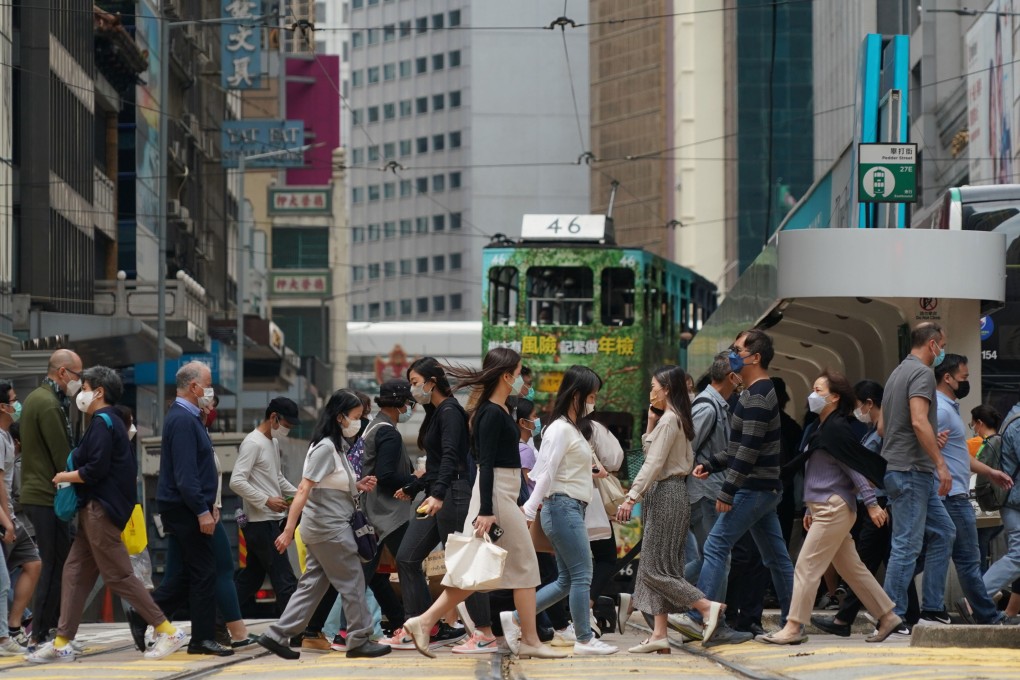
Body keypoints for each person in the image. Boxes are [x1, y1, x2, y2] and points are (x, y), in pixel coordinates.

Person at [402, 348, 563, 660]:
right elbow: (485, 465)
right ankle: (529, 639)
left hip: (500, 496)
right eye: (518, 375)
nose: (521, 381)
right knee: (521, 567)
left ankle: (423, 621)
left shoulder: (497, 410)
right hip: (496, 497)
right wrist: (488, 510)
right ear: (505, 376)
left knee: (482, 571)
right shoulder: (491, 413)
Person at [27, 366, 185, 663]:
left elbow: (95, 469)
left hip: (100, 510)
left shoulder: (103, 421)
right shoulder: (113, 421)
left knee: (119, 575)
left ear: (99, 392)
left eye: (85, 386)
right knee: (74, 572)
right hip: (93, 511)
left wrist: (65, 476)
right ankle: (62, 641)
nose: (81, 392)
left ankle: (167, 630)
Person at [759, 371, 900, 645]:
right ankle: (887, 616)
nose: (813, 395)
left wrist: (871, 504)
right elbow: (821, 474)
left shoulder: (835, 428)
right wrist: (810, 509)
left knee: (806, 565)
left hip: (833, 508)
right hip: (826, 507)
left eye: (819, 390)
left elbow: (854, 467)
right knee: (852, 569)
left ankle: (793, 626)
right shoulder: (823, 427)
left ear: (834, 397)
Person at [678, 329, 795, 647]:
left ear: (755, 358)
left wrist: (727, 490)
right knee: (776, 557)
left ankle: (700, 617)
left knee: (715, 547)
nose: (732, 354)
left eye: (737, 349)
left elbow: (748, 451)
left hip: (754, 490)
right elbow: (738, 447)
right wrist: (713, 463)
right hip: (763, 489)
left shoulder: (757, 395)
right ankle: (793, 622)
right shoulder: (752, 393)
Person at [256, 389, 391, 660]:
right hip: (330, 529)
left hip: (323, 528)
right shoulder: (326, 448)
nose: (359, 422)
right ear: (340, 417)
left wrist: (358, 485)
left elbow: (332, 484)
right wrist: (287, 530)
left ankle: (276, 635)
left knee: (312, 585)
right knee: (353, 580)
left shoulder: (335, 446)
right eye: (355, 416)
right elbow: (304, 489)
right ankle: (359, 639)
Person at [616, 366, 725, 653]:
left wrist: (631, 497)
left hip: (665, 493)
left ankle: (705, 606)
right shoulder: (674, 419)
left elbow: (651, 464)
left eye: (653, 386)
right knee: (662, 564)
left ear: (666, 389)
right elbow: (654, 455)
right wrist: (651, 423)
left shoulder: (670, 421)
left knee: (653, 568)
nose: (650, 391)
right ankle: (659, 635)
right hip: (668, 494)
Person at [381, 357, 486, 652]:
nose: (413, 389)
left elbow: (452, 458)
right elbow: (436, 463)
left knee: (462, 565)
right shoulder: (436, 412)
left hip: (452, 495)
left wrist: (437, 494)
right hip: (437, 493)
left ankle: (485, 632)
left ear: (431, 381)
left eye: (415, 383)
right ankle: (421, 626)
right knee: (407, 557)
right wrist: (415, 486)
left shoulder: (450, 411)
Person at [131, 361, 232, 656]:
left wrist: (208, 506)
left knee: (190, 573)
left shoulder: (188, 418)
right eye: (208, 384)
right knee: (204, 571)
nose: (210, 391)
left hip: (186, 506)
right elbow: (186, 476)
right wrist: (202, 511)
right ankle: (201, 638)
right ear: (194, 387)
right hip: (185, 507)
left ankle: (143, 615)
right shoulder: (183, 420)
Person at [521, 366, 619, 655]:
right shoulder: (560, 428)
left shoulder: (571, 428)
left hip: (569, 506)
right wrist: (529, 509)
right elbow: (547, 472)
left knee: (566, 580)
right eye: (591, 396)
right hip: (562, 506)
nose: (594, 401)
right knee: (582, 575)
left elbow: (561, 468)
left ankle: (515, 619)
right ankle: (585, 639)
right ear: (576, 395)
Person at [813, 380, 920, 636]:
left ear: (869, 403)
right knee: (882, 560)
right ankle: (905, 615)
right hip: (873, 503)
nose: (857, 411)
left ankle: (849, 619)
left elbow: (873, 469)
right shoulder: (871, 432)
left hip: (878, 503)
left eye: (860, 405)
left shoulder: (882, 433)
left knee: (864, 561)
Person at [879, 323, 955, 633]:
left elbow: (884, 428)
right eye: (942, 346)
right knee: (907, 546)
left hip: (906, 469)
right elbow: (918, 419)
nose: (942, 352)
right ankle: (891, 615)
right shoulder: (923, 374)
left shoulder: (896, 374)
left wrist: (926, 445)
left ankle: (933, 608)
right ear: (934, 345)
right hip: (912, 471)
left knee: (944, 532)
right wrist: (941, 463)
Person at [930, 355, 1012, 625]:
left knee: (928, 554)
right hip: (951, 495)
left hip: (951, 494)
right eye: (964, 378)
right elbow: (929, 450)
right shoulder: (941, 410)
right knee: (966, 558)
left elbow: (958, 456)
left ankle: (912, 610)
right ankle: (984, 615)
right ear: (948, 378)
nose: (966, 382)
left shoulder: (948, 408)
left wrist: (991, 472)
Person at [19, 349, 81, 646]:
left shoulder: (35, 398)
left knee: (55, 561)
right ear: (63, 373)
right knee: (56, 563)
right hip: (47, 495)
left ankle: (47, 631)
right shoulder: (50, 405)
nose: (79, 383)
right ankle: (42, 633)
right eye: (78, 376)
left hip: (37, 492)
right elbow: (63, 456)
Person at [355, 379, 420, 642]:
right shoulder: (388, 433)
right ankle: (420, 626)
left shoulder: (373, 427)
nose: (411, 409)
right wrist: (415, 480)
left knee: (365, 575)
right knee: (411, 564)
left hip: (374, 512)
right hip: (389, 514)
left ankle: (346, 630)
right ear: (401, 403)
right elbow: (386, 474)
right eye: (410, 403)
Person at [230, 398, 300, 617]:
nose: (287, 430)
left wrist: (299, 495)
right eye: (286, 425)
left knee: (251, 578)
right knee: (285, 580)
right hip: (261, 523)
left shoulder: (273, 442)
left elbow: (277, 477)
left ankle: (218, 619)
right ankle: (294, 631)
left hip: (266, 522)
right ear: (273, 418)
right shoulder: (253, 443)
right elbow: (236, 481)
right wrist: (266, 500)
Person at [685, 355, 739, 584]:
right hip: (705, 493)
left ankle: (709, 616)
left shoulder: (718, 405)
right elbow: (687, 451)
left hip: (710, 492)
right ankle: (653, 596)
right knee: (716, 557)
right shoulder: (708, 408)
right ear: (732, 377)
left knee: (713, 556)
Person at [0, 380, 38, 652]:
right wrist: (6, 521)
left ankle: (13, 626)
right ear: (2, 407)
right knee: (2, 581)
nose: (17, 404)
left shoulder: (4, 437)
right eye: (13, 400)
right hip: (5, 518)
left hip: (10, 517)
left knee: (33, 563)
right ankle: (5, 636)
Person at [981, 383, 1020, 605]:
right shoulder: (1019, 422)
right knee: (1018, 556)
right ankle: (976, 599)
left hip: (1014, 500)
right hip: (1015, 501)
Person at [517, 400, 540, 495]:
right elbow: (522, 488)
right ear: (523, 422)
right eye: (534, 416)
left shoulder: (515, 446)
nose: (537, 419)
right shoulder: (525, 451)